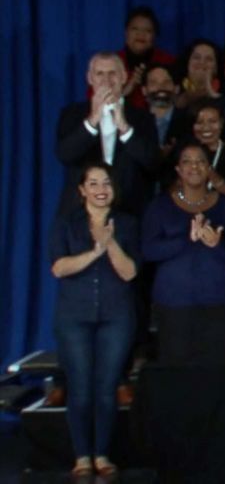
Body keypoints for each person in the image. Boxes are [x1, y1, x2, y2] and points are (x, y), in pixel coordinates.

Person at [50, 163, 139, 479]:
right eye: (94, 183)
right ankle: (82, 456)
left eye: (106, 183)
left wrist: (110, 243)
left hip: (116, 316)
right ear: (82, 189)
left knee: (105, 388)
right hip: (74, 316)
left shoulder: (126, 224)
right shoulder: (66, 224)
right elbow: (59, 268)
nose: (101, 190)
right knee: (80, 388)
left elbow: (129, 272)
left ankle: (102, 454)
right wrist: (94, 251)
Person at [141, 141, 225, 363]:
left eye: (200, 161)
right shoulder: (160, 206)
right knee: (178, 375)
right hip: (173, 304)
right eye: (187, 161)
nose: (194, 166)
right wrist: (186, 239)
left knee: (218, 373)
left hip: (220, 303)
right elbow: (149, 251)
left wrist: (216, 244)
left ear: (209, 168)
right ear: (178, 169)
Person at [57, 52, 159, 217]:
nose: (106, 80)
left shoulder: (143, 118)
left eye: (112, 73)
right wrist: (92, 121)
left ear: (124, 77)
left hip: (130, 213)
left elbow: (152, 163)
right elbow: (65, 155)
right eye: (100, 74)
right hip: (80, 216)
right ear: (90, 78)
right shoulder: (72, 114)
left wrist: (125, 129)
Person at [116, 6, 175, 110]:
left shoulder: (168, 62)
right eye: (135, 29)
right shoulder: (111, 63)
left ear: (155, 36)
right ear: (126, 33)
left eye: (147, 31)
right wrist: (128, 87)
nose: (140, 35)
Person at [175, 39, 223, 110]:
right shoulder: (176, 87)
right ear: (187, 62)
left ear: (216, 67)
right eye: (196, 57)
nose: (202, 63)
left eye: (209, 59)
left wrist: (208, 85)